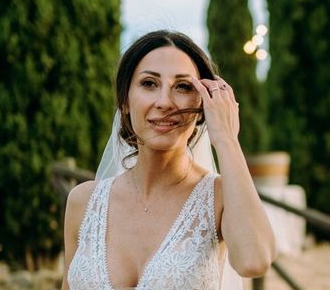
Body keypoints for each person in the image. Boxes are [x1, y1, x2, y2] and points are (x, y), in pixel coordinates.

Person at [61, 30, 276, 290]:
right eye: (149, 83)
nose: (164, 102)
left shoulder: (218, 198)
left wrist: (226, 139)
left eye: (183, 87)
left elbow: (254, 261)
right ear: (125, 101)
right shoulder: (83, 202)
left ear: (201, 107)